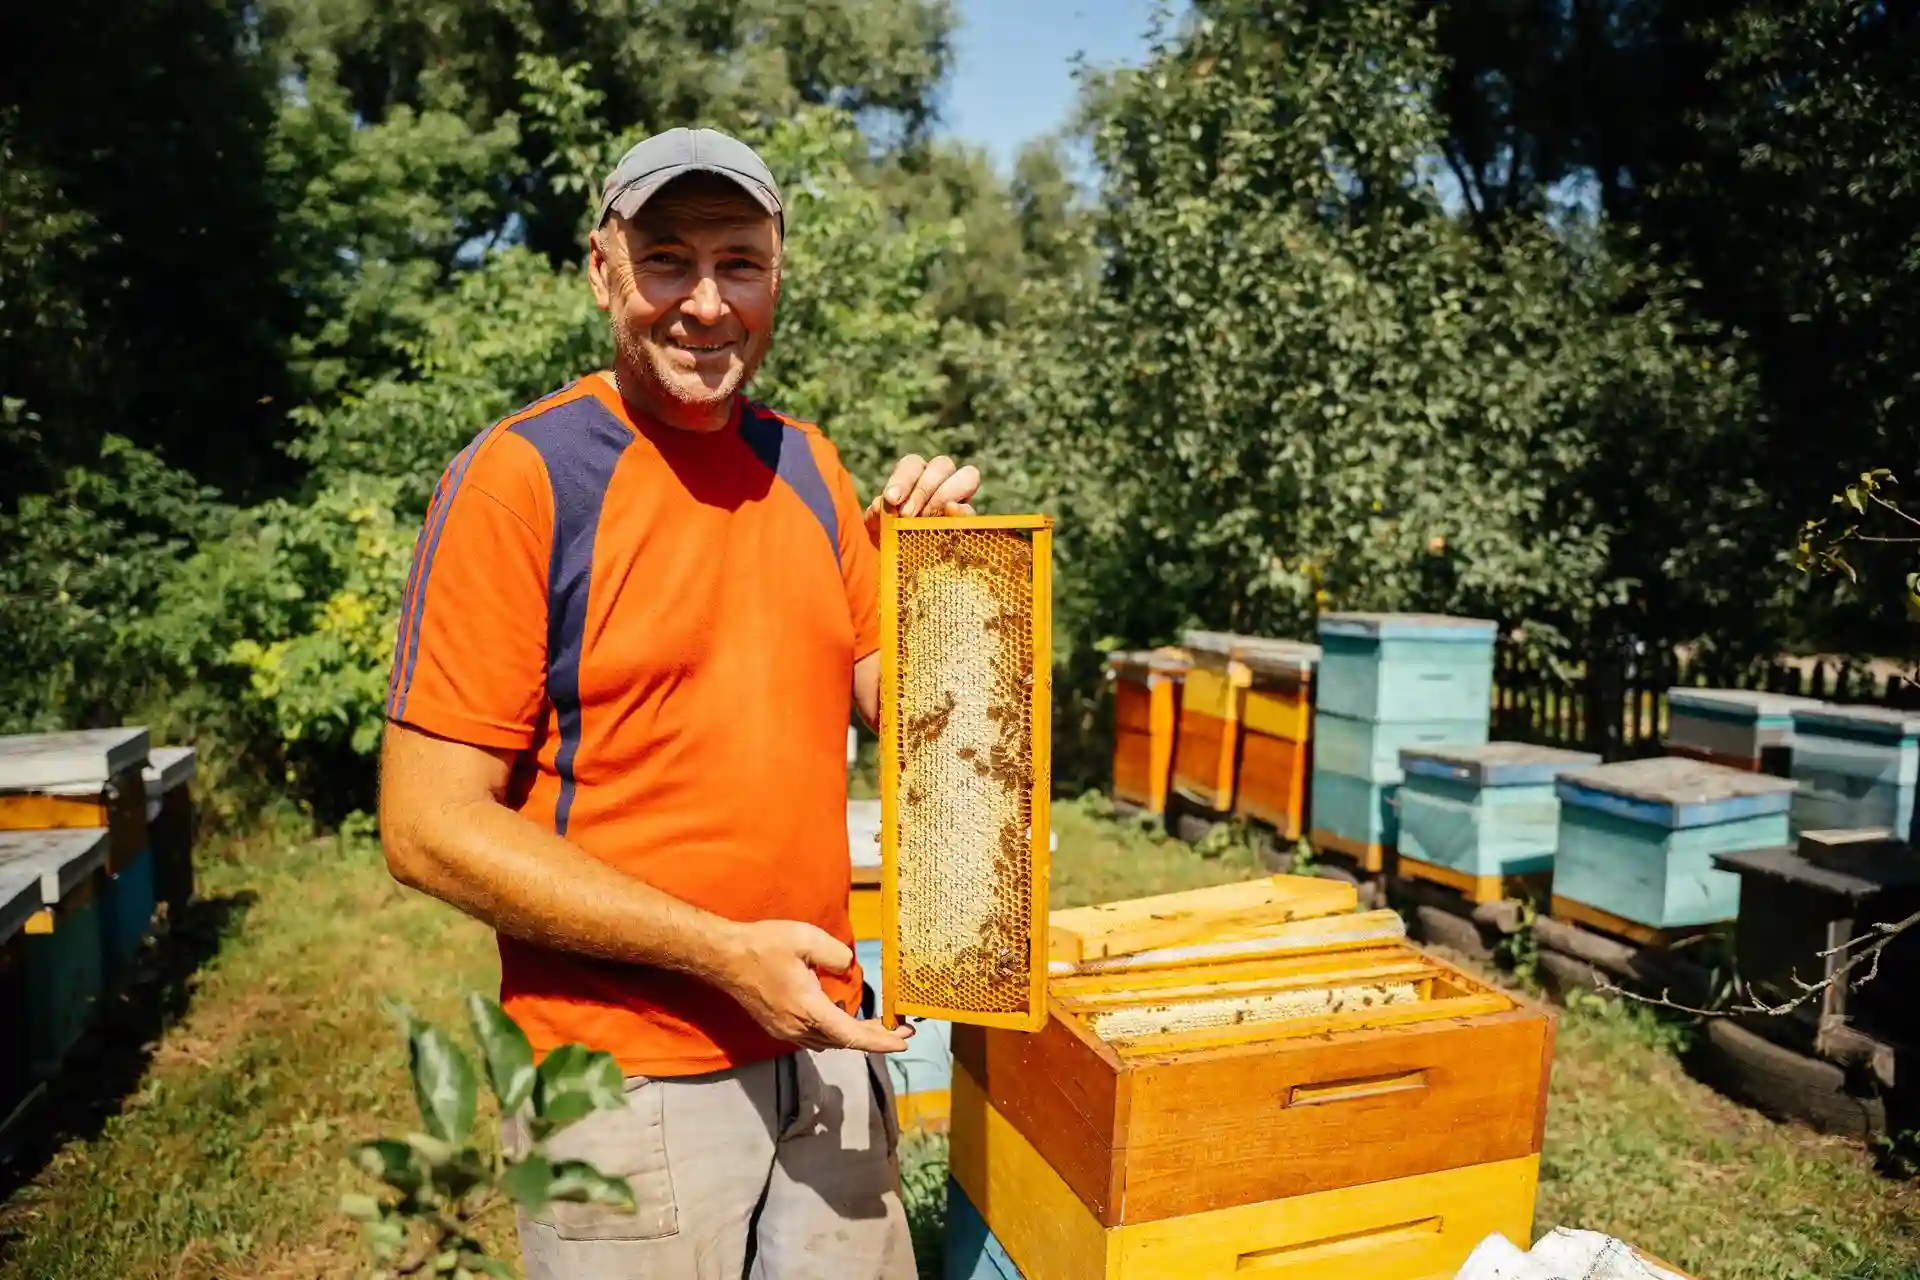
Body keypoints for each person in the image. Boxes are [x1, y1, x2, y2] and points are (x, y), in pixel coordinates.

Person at [375, 126, 982, 1280]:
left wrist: (946, 590)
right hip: (620, 1079)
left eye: (739, 263)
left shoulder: (810, 466)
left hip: (829, 1049)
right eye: (667, 260)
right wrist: (721, 953)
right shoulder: (523, 478)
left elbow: (904, 720)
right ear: (603, 268)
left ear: (778, 273)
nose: (706, 304)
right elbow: (425, 825)